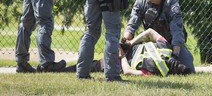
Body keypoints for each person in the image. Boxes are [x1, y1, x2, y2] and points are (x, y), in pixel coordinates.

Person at [123, 0, 195, 73]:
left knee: (188, 68)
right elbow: (132, 25)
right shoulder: (141, 2)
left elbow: (177, 30)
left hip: (171, 43)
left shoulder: (170, 1)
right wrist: (125, 42)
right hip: (152, 44)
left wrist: (175, 55)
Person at [63, 28, 191, 76]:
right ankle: (62, 69)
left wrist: (125, 50)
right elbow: (129, 72)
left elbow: (150, 32)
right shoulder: (158, 70)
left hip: (122, 57)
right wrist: (129, 44)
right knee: (93, 65)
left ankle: (60, 69)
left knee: (92, 65)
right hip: (124, 55)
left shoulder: (166, 47)